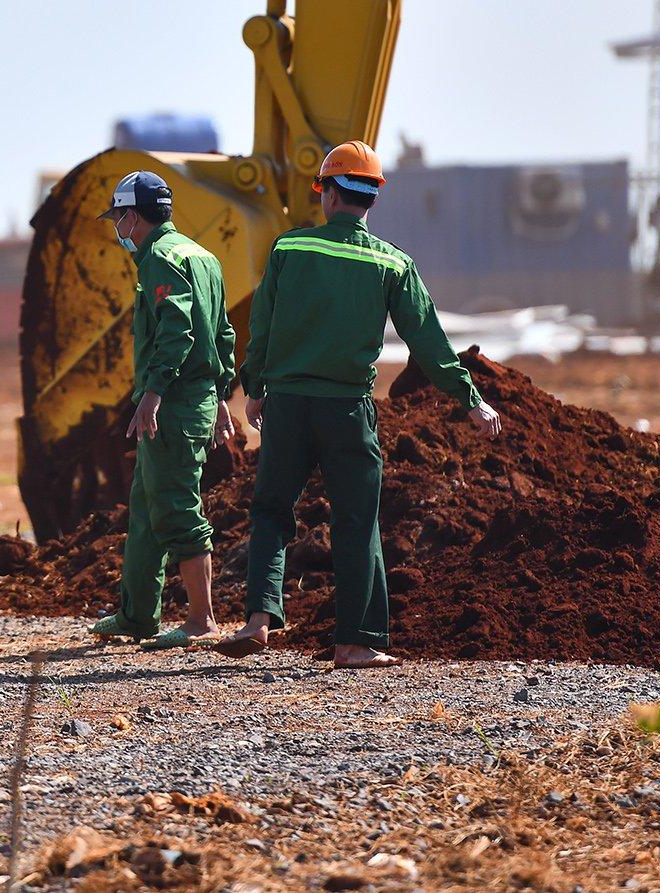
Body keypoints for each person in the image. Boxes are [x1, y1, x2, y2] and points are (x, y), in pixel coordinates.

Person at [220, 141, 503, 669]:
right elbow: (429, 341)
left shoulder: (289, 249)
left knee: (271, 509)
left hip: (288, 405)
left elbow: (262, 328)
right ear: (372, 198)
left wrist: (254, 387)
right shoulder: (392, 263)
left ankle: (259, 619)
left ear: (327, 194)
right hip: (347, 411)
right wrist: (470, 398)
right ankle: (354, 644)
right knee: (356, 521)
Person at [88, 171, 235, 651]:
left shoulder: (159, 259)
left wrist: (152, 394)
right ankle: (136, 615)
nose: (118, 228)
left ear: (132, 215)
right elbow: (224, 335)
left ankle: (201, 620)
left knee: (174, 509)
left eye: (119, 218)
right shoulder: (204, 256)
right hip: (193, 398)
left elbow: (178, 330)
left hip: (172, 405)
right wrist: (221, 397)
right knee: (148, 509)